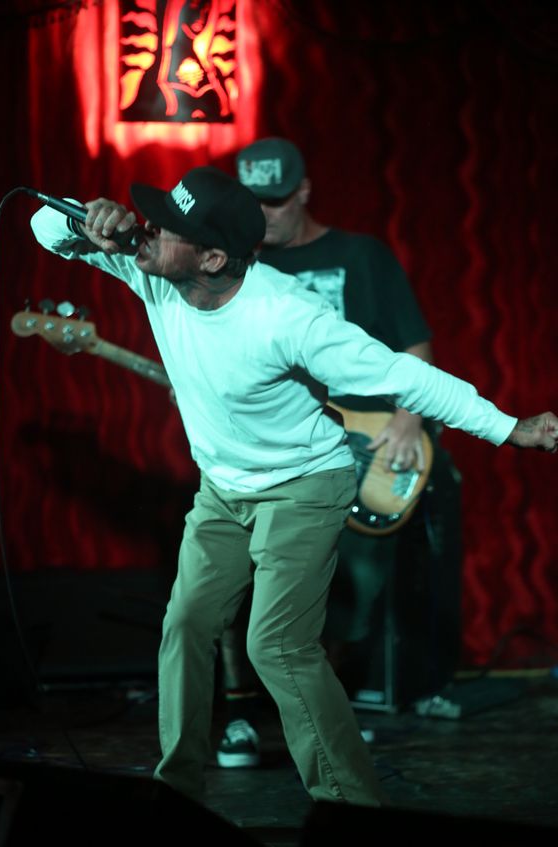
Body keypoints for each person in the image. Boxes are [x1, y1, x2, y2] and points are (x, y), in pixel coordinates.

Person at [30, 165, 558, 809]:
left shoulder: (287, 315)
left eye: (166, 227)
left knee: (276, 644)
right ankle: (176, 797)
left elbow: (404, 376)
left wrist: (508, 427)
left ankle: (352, 810)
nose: (146, 230)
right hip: (222, 491)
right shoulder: (153, 269)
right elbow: (42, 228)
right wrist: (82, 215)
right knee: (186, 624)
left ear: (213, 257)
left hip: (305, 486)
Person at [214, 137, 456, 768]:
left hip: (361, 448)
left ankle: (328, 711)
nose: (264, 215)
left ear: (303, 192)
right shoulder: (237, 268)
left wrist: (409, 421)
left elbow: (415, 347)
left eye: (275, 201)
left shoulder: (360, 256)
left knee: (355, 592)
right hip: (273, 458)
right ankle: (240, 717)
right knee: (237, 581)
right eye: (252, 203)